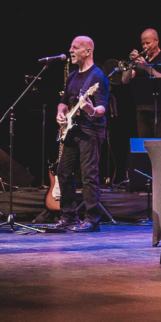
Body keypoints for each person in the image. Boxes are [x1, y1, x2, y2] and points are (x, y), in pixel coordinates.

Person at [54, 36, 110, 232]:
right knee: (62, 171)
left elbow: (102, 108)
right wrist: (61, 113)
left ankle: (92, 218)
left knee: (89, 175)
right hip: (73, 129)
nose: (70, 50)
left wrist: (89, 109)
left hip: (90, 131)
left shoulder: (97, 77)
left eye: (75, 47)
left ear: (87, 51)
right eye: (70, 47)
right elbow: (64, 100)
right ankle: (68, 216)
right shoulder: (72, 76)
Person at [118, 28, 161, 137]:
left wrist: (147, 68)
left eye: (148, 43)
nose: (145, 46)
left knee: (160, 145)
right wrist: (130, 64)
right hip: (142, 109)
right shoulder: (139, 61)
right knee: (143, 145)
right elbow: (125, 80)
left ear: (157, 40)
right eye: (143, 43)